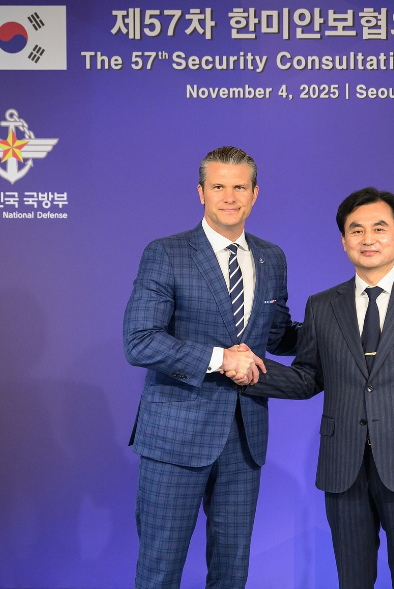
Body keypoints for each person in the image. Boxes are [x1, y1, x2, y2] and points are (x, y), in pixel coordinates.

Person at [233, 187, 394, 589]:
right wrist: (251, 371)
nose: (368, 239)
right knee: (352, 581)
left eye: (379, 228)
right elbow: (308, 377)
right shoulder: (323, 305)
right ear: (343, 241)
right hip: (344, 466)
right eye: (356, 230)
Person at [123, 146, 299, 589]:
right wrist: (222, 359)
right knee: (159, 572)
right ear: (201, 192)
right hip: (175, 437)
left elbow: (276, 334)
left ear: (255, 193)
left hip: (244, 439)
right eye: (218, 186)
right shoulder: (166, 253)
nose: (230, 197)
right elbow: (140, 341)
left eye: (240, 187)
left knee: (232, 574)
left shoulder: (272, 257)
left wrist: (346, 323)